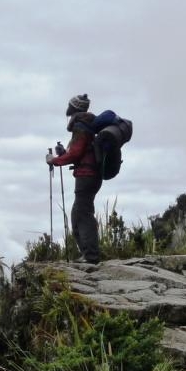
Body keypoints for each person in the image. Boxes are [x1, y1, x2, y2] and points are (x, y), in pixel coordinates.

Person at [45, 93, 113, 264]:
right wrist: (64, 153)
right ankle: (88, 254)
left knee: (82, 214)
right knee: (79, 213)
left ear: (73, 107)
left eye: (69, 105)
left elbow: (77, 152)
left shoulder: (81, 125)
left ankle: (91, 256)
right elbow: (80, 150)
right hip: (91, 174)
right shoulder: (88, 124)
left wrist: (55, 160)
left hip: (87, 175)